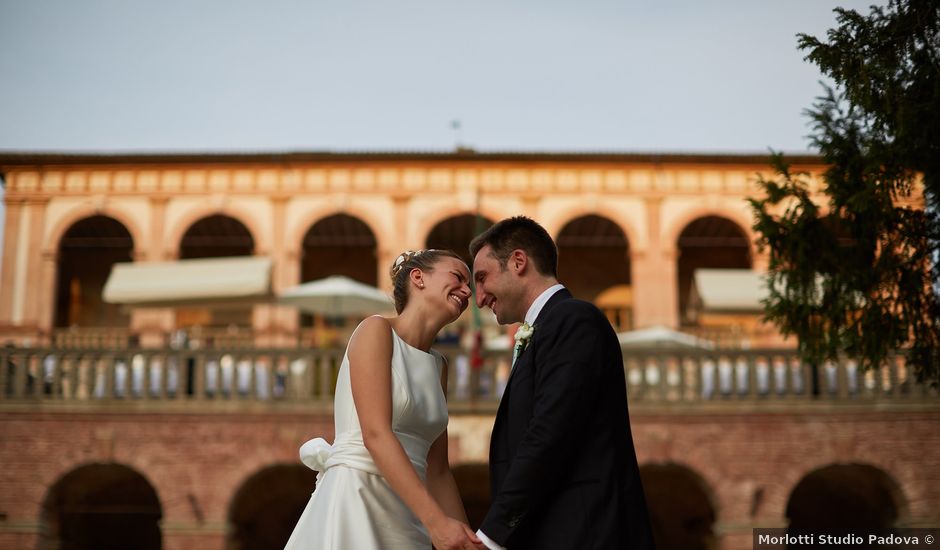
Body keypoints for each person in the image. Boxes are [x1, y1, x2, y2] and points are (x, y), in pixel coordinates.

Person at [469, 216, 655, 550]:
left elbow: (551, 432)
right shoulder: (548, 327)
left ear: (518, 261)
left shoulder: (573, 319)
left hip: (585, 534)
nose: (479, 298)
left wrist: (492, 535)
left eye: (482, 279)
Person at [285, 249, 485, 550]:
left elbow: (439, 469)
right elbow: (376, 434)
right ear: (418, 278)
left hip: (409, 514)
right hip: (359, 498)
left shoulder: (439, 365)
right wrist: (435, 522)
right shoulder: (375, 330)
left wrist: (465, 541)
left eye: (469, 284)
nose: (468, 291)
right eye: (458, 277)